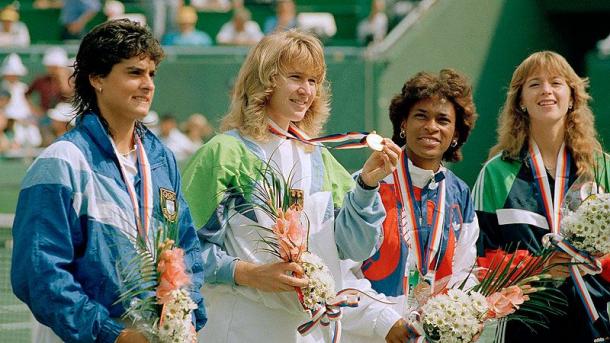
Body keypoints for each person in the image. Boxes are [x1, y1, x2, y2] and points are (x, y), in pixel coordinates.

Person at [182, 29, 402, 342]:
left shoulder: (317, 156)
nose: (306, 90)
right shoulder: (225, 152)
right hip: (239, 327)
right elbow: (181, 247)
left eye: (313, 81)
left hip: (305, 333)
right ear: (265, 80)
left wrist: (366, 185)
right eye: (296, 77)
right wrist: (250, 274)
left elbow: (357, 247)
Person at [10, 19, 207, 343]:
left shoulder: (161, 160)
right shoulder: (62, 161)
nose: (148, 84)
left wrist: (187, 318)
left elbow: (186, 246)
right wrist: (112, 334)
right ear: (97, 78)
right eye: (134, 73)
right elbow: (40, 272)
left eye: (151, 74)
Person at [473, 51, 610, 342]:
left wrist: (592, 265)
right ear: (520, 101)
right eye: (534, 84)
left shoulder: (602, 168)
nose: (546, 90)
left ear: (572, 97)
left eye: (556, 82)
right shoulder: (495, 174)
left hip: (594, 322)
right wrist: (540, 268)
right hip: (524, 327)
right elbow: (480, 260)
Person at [343, 69, 480, 343]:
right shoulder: (368, 182)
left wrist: (462, 317)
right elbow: (339, 270)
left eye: (443, 120)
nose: (431, 126)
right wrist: (383, 322)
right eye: (421, 115)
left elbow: (464, 272)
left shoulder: (459, 194)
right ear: (403, 124)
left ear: (455, 133)